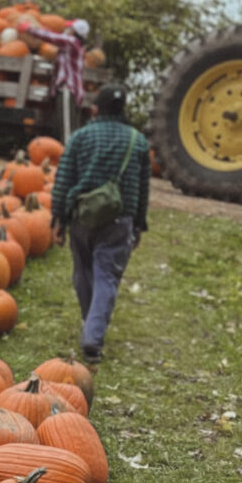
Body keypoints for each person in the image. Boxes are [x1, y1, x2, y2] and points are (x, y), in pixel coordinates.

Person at [51, 82, 150, 364]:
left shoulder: (81, 137)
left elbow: (63, 179)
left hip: (82, 215)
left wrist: (57, 216)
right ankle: (93, 337)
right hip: (119, 219)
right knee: (107, 274)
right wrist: (140, 223)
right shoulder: (137, 140)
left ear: (95, 108)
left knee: (83, 272)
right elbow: (142, 188)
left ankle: (90, 323)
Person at [48, 17, 90, 139]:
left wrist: (29, 29)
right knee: (71, 128)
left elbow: (50, 37)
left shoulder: (72, 43)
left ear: (74, 32)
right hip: (74, 91)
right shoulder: (74, 46)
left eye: (70, 28)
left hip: (68, 90)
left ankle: (68, 154)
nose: (67, 30)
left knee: (67, 129)